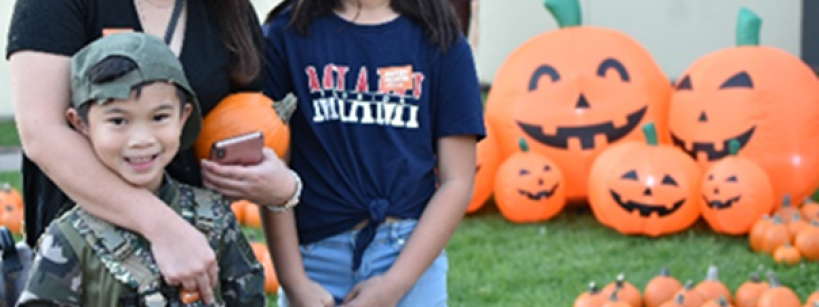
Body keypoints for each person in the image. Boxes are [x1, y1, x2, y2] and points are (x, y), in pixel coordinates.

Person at [6, 0, 300, 303]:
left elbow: (253, 121)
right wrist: (165, 228)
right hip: (90, 262)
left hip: (197, 253)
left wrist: (282, 188)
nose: (141, 139)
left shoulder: (229, 9)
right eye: (119, 120)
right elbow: (42, 132)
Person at [256, 0, 486, 306]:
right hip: (312, 262)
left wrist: (394, 284)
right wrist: (294, 282)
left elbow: (457, 181)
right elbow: (273, 172)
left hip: (408, 257)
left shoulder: (441, 38)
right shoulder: (285, 34)